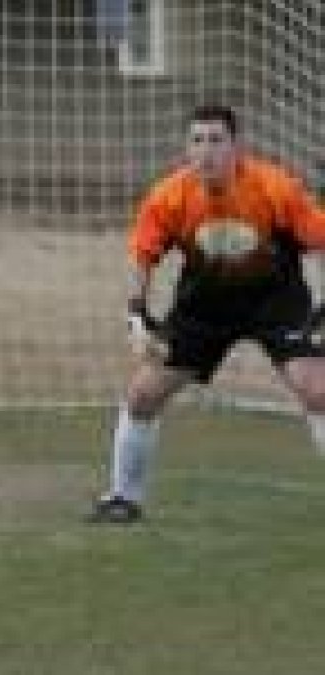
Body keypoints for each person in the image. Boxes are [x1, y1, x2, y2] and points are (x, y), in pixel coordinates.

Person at [90, 104, 325, 523]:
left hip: (276, 302)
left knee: (318, 390)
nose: (206, 151)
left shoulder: (275, 188)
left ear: (237, 147)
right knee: (143, 395)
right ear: (186, 149)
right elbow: (146, 256)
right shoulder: (169, 196)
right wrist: (138, 311)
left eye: (216, 140)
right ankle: (124, 498)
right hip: (204, 307)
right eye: (197, 141)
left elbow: (320, 239)